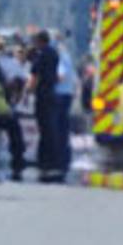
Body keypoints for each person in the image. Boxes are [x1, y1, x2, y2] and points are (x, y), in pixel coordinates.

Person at [26, 30, 62, 182]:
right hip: (52, 93)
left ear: (40, 41)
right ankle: (53, 160)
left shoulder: (41, 55)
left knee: (44, 129)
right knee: (51, 128)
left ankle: (45, 162)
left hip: (43, 95)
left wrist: (28, 91)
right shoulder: (54, 53)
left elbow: (35, 75)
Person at [0, 38, 25, 181]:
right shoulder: (9, 62)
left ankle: (14, 155)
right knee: (13, 126)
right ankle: (17, 157)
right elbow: (20, 81)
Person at [52, 32, 78, 178]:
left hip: (60, 95)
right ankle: (64, 154)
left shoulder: (61, 57)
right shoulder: (67, 56)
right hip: (67, 94)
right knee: (64, 126)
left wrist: (48, 79)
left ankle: (59, 157)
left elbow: (60, 76)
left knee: (59, 126)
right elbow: (74, 78)